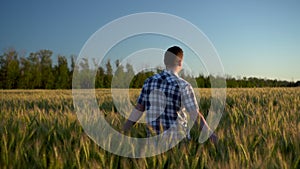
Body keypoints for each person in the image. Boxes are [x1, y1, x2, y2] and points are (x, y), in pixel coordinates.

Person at [123, 46, 217, 145]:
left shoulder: (149, 82)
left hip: (153, 142)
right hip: (177, 142)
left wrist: (123, 131)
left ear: (165, 62)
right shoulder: (184, 86)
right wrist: (211, 135)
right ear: (180, 62)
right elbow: (195, 116)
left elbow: (138, 109)